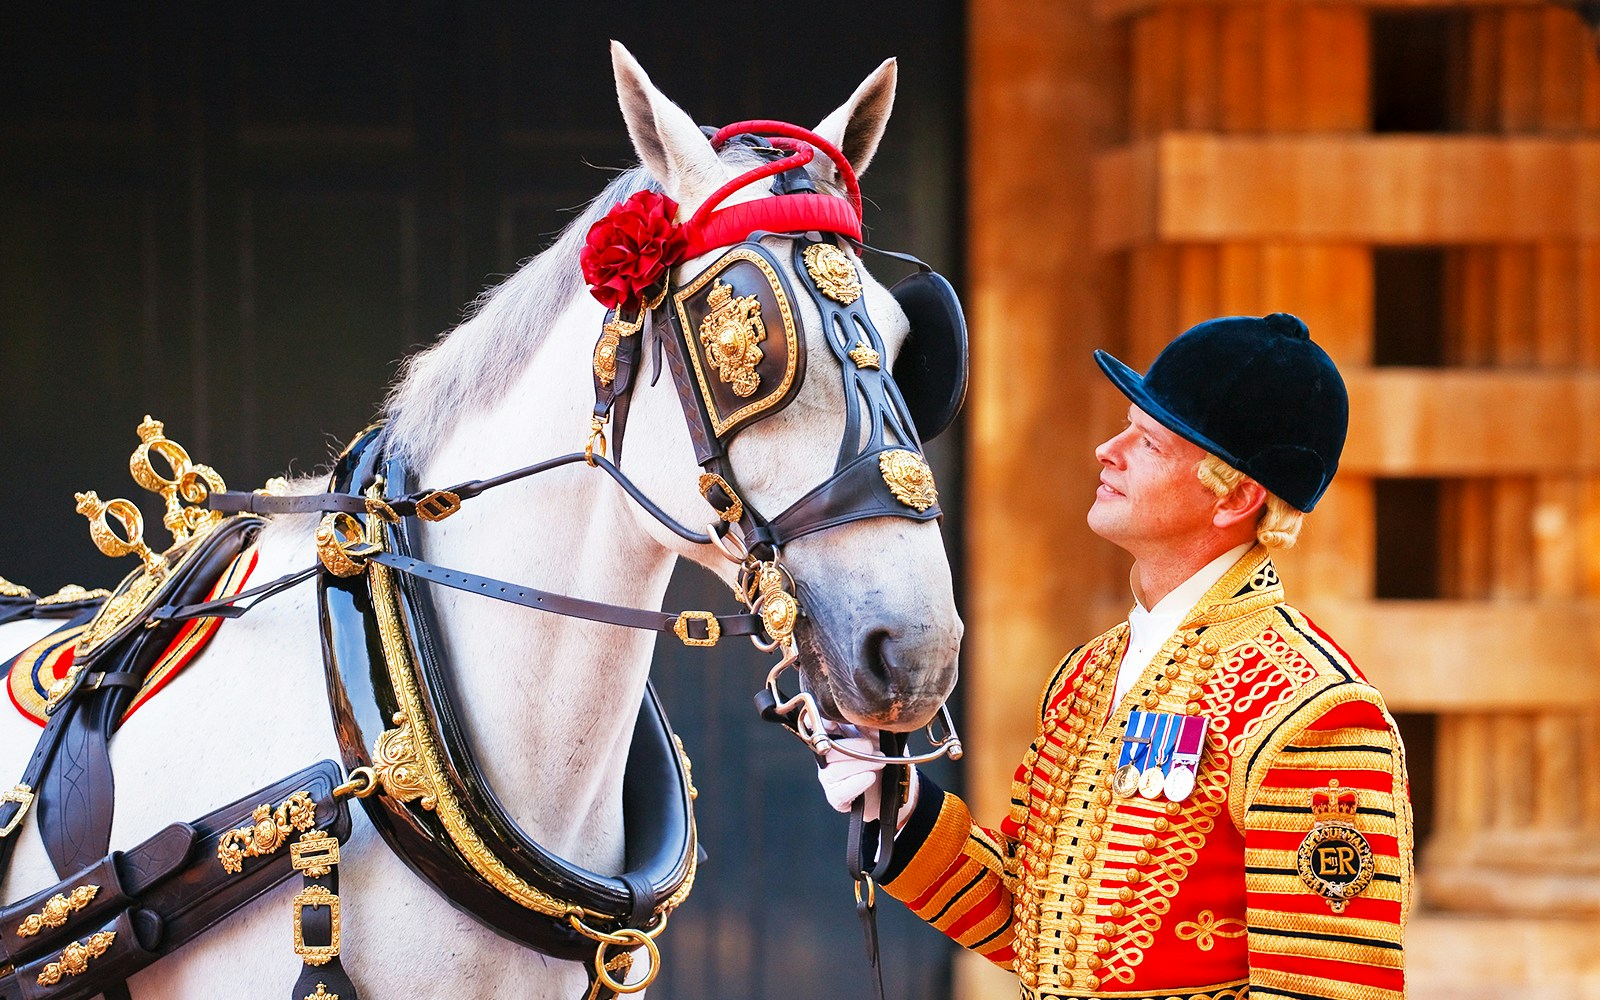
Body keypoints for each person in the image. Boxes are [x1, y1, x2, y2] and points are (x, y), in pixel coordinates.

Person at [819, 313, 1412, 1000]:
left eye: (1149, 442)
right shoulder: (1087, 673)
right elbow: (1032, 926)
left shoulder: (1314, 711)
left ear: (1237, 497)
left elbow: (1328, 989)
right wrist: (898, 801)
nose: (1108, 448)